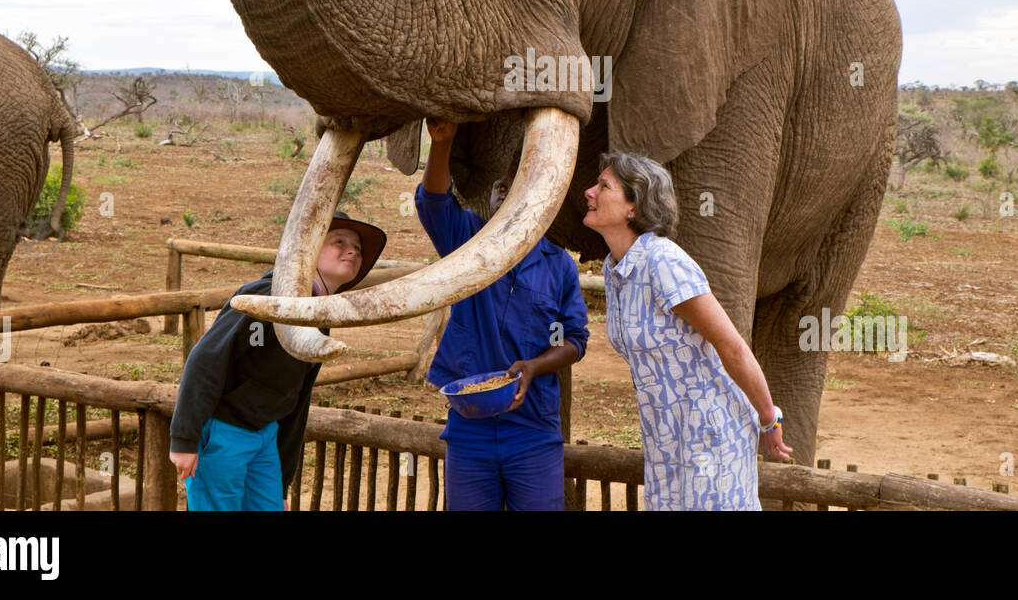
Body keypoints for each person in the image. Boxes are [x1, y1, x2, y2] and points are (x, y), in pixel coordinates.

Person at [583, 152, 793, 510]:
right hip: (665, 434)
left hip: (711, 430)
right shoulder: (615, 269)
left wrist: (769, 418)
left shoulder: (664, 261)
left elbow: (732, 347)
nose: (589, 192)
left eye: (604, 186)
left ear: (634, 206)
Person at [416, 119, 589, 510]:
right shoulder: (467, 242)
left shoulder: (558, 265)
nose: (516, 199)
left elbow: (572, 339)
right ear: (496, 194)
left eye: (530, 192)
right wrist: (441, 143)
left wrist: (535, 366)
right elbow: (433, 204)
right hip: (469, 427)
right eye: (507, 188)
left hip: (534, 429)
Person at [168, 211, 386, 510]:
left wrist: (282, 481)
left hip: (265, 437)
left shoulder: (318, 320)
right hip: (223, 433)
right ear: (308, 249)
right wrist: (184, 439)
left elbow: (297, 400)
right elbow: (206, 360)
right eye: (339, 241)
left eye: (358, 248)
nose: (352, 251)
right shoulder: (267, 296)